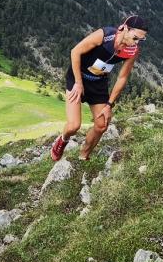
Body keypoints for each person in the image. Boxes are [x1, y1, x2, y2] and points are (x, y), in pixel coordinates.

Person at [50, 15, 147, 161]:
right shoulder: (105, 35)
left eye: (141, 39)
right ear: (126, 29)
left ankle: (83, 157)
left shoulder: (132, 50)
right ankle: (62, 140)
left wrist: (109, 104)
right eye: (135, 38)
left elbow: (122, 77)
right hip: (78, 78)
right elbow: (75, 52)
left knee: (102, 125)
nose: (136, 43)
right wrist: (78, 82)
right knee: (74, 126)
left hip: (98, 83)